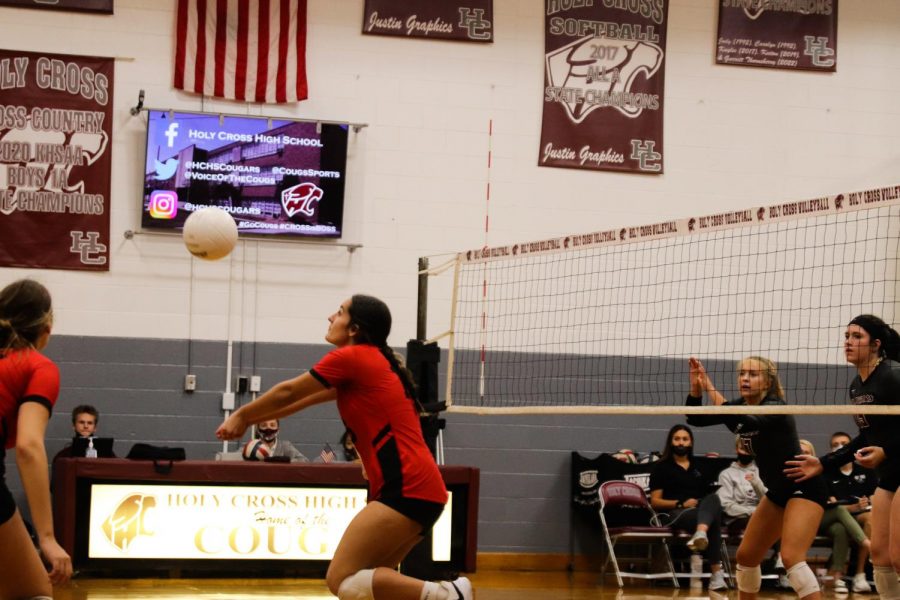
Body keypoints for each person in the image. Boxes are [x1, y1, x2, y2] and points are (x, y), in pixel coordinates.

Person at [216, 295, 472, 600]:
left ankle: (449, 595)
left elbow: (287, 392)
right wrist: (248, 420)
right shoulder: (371, 363)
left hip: (407, 487)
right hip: (419, 490)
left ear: (354, 328)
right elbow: (295, 402)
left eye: (339, 312)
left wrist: (243, 415)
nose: (330, 317)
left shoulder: (354, 358)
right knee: (366, 587)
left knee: (342, 579)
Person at [687, 355, 828, 600]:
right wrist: (696, 387)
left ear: (767, 382)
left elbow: (741, 421)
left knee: (792, 558)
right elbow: (695, 418)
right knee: (747, 556)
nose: (745, 378)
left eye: (753, 374)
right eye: (742, 374)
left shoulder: (775, 407)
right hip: (777, 492)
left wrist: (710, 385)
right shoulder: (741, 403)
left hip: (803, 488)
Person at [786, 315, 900, 600]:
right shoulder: (856, 386)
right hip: (889, 474)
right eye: (846, 335)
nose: (848, 342)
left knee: (898, 555)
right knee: (881, 555)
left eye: (857, 336)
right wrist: (824, 462)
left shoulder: (893, 375)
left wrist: (887, 450)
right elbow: (866, 436)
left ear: (876, 344)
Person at [0, 279, 72, 598]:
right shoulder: (37, 366)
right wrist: (46, 537)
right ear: (46, 328)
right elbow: (29, 446)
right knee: (32, 592)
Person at [649, 424, 727, 591]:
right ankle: (716, 574)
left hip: (699, 513)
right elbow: (655, 501)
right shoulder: (661, 467)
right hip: (674, 513)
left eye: (685, 439)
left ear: (691, 443)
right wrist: (680, 503)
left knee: (713, 499)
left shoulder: (699, 466)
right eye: (677, 439)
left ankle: (700, 533)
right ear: (671, 442)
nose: (681, 443)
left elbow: (707, 495)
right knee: (712, 522)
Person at [798, 439, 871, 595]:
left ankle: (837, 575)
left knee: (840, 529)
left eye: (806, 453)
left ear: (812, 456)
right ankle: (865, 543)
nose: (803, 455)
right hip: (799, 521)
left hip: (820, 518)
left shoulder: (820, 475)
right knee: (838, 510)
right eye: (800, 452)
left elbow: (827, 502)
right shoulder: (788, 473)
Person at [825, 430, 875, 593]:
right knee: (841, 527)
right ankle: (837, 576)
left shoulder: (866, 472)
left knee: (871, 518)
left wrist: (868, 502)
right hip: (834, 518)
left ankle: (860, 574)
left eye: (844, 445)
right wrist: (851, 507)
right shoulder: (825, 474)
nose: (840, 447)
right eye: (835, 445)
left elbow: (875, 497)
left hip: (861, 514)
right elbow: (827, 506)